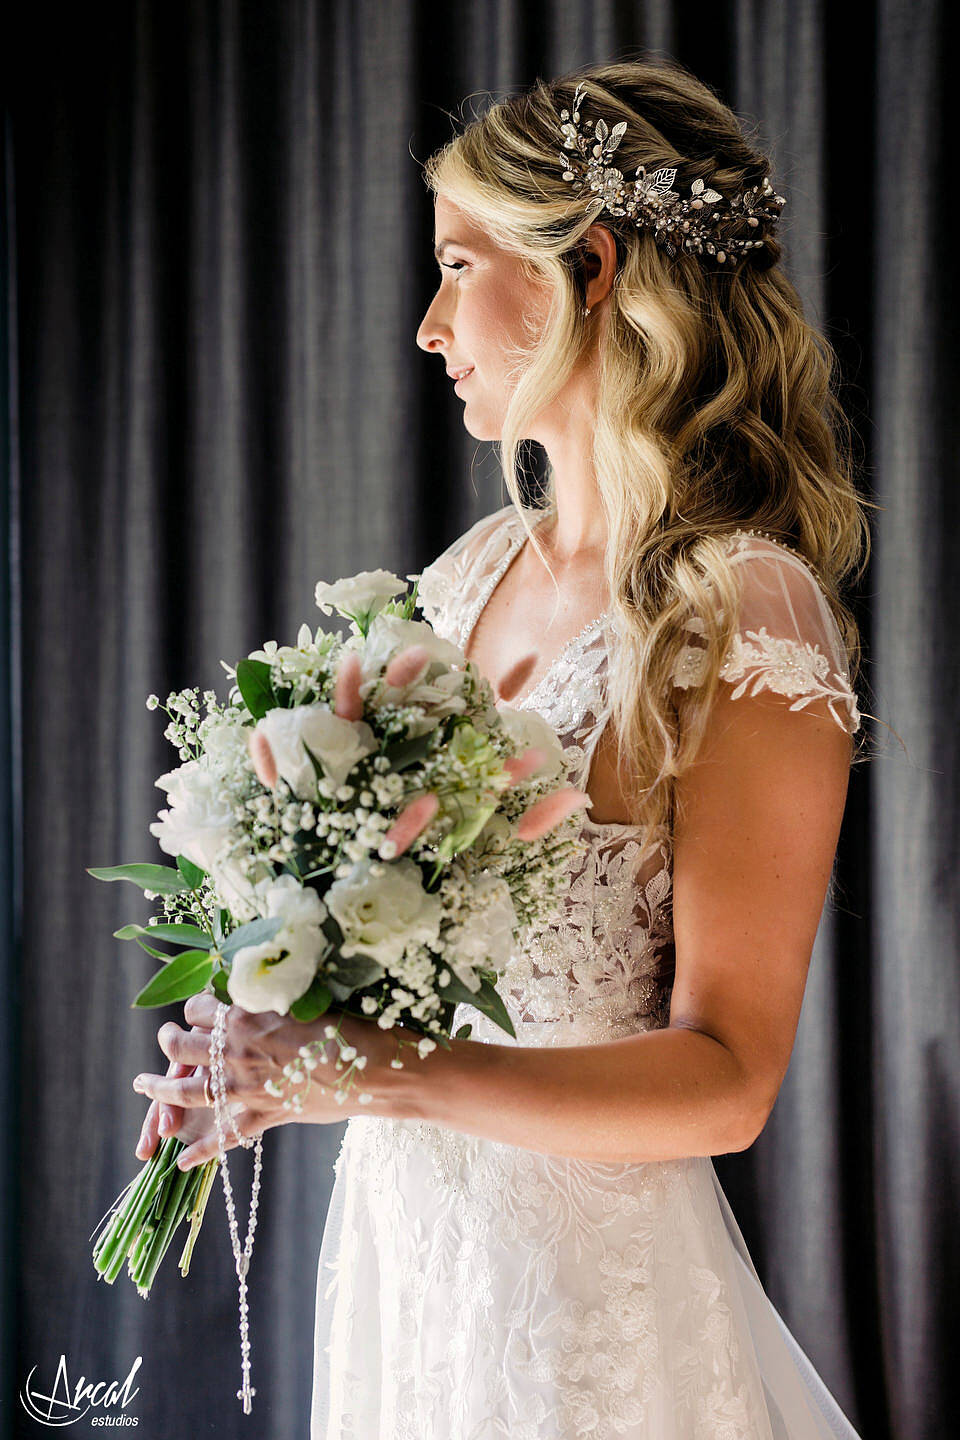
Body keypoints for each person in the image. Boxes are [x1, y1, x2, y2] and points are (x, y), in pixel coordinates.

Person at [134, 57, 876, 1438]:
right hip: (404, 1259)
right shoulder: (471, 578)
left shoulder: (742, 613)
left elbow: (728, 1079)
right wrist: (278, 1009)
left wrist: (366, 1067)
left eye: (458, 264)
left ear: (589, 269)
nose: (426, 325)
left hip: (587, 1308)